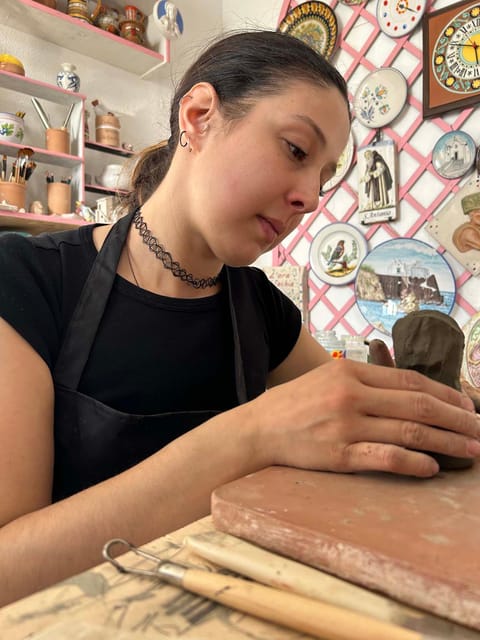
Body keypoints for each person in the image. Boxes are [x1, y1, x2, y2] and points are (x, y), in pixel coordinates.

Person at [0, 30, 478, 606]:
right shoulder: (25, 281)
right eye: (298, 151)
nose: (310, 197)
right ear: (199, 116)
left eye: (324, 178)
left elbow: (361, 422)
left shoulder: (264, 311)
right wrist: (253, 434)